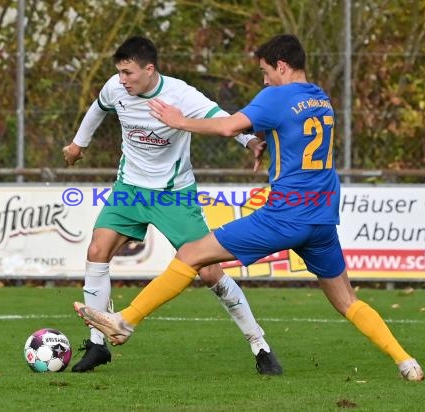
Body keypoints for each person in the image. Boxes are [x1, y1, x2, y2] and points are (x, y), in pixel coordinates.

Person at [74, 34, 425, 381]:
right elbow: (269, 132)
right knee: (347, 301)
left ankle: (125, 320)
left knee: (192, 255)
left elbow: (228, 126)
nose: (264, 80)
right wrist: (255, 141)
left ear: (282, 66)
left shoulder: (276, 97)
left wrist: (180, 122)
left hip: (284, 216)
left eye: (265, 71)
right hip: (322, 217)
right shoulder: (321, 98)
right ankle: (405, 361)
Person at [63, 36, 282, 375]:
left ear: (149, 70)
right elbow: (98, 108)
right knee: (97, 249)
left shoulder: (181, 95)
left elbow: (220, 117)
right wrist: (79, 144)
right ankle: (96, 343)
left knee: (210, 271)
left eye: (129, 73)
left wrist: (250, 140)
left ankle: (259, 344)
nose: (122, 80)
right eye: (119, 73)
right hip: (130, 189)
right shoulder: (115, 88)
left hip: (173, 195)